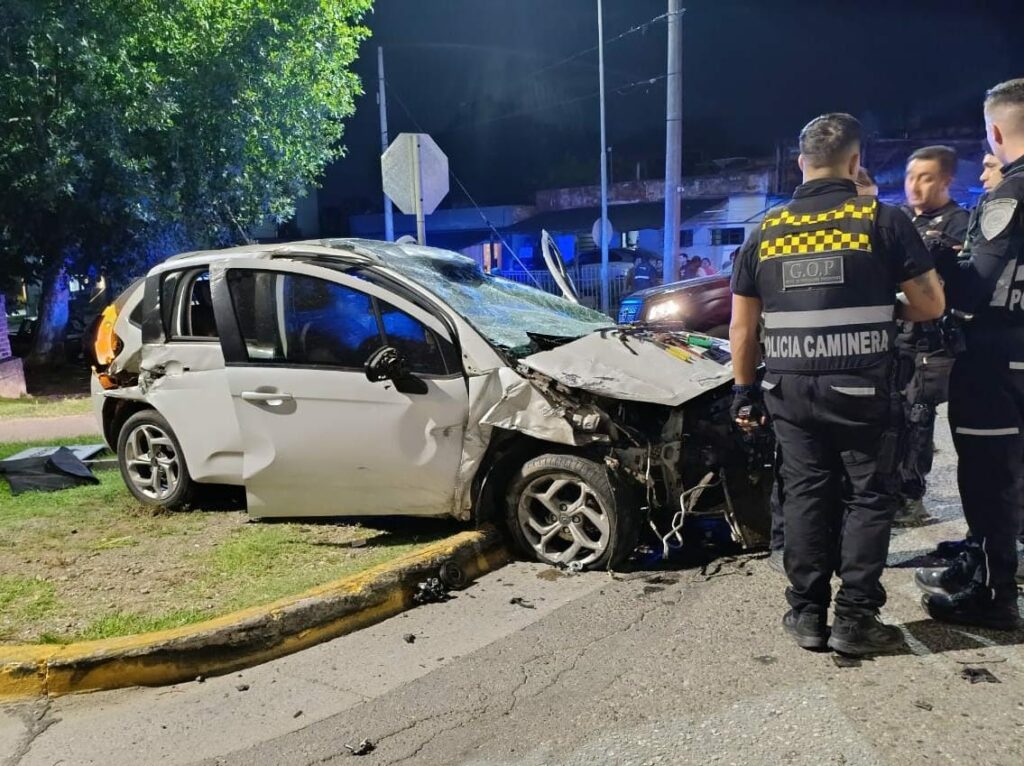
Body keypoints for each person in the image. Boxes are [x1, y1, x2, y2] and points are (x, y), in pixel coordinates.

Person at [730, 113, 945, 655]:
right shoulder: (880, 218)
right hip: (860, 388)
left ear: (801, 164)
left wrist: (743, 390)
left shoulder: (765, 231)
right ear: (855, 162)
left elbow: (742, 326)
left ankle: (805, 615)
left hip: (786, 389)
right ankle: (854, 620)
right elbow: (930, 303)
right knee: (868, 498)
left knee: (804, 493)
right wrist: (882, 309)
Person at [915, 79, 1024, 630]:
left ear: (996, 131)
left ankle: (993, 592)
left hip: (997, 359)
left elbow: (975, 286)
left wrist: (934, 257)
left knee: (987, 477)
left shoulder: (1008, 195)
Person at [892, 146, 971, 525]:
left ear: (945, 180)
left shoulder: (960, 223)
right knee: (896, 417)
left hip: (935, 341)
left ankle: (911, 498)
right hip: (898, 336)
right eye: (910, 177)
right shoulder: (899, 219)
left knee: (918, 416)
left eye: (925, 177)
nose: (915, 186)